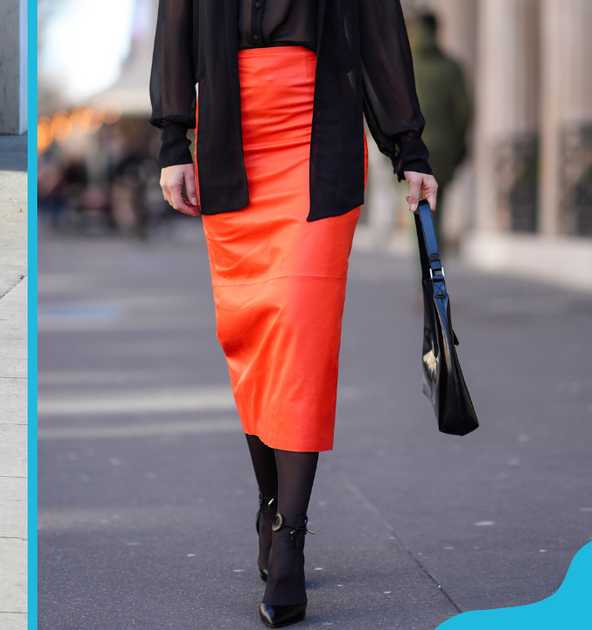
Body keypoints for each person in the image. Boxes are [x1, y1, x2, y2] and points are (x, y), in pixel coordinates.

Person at [150, 1, 437, 627]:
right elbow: (177, 24)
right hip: (230, 138)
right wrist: (174, 141)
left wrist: (408, 148)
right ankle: (270, 504)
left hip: (319, 141)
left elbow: (378, 28)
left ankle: (291, 540)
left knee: (302, 339)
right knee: (250, 337)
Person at [409, 10, 472, 244]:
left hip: (414, 151)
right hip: (444, 151)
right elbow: (464, 111)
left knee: (419, 205)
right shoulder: (451, 68)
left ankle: (426, 256)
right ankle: (434, 253)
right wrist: (458, 146)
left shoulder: (407, 66)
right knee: (437, 204)